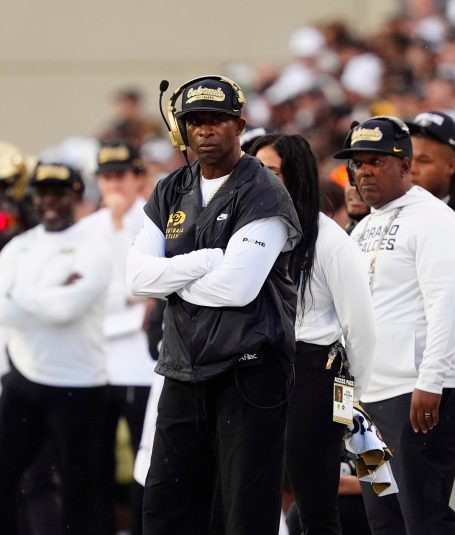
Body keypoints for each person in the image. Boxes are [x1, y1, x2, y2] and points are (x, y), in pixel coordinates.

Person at [126, 75, 302, 535]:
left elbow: (237, 289)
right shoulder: (170, 188)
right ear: (181, 130)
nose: (205, 130)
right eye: (195, 121)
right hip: (182, 369)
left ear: (239, 125)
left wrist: (170, 279)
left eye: (216, 120)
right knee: (165, 510)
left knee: (243, 513)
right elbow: (137, 277)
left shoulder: (264, 190)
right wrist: (205, 261)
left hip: (249, 374)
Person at [334, 115, 455, 535]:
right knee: (384, 518)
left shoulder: (435, 219)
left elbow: (447, 306)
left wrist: (431, 381)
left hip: (417, 394)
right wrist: (345, 399)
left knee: (423, 517)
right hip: (365, 404)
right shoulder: (362, 228)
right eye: (357, 163)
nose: (364, 172)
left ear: (405, 165)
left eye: (376, 161)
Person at [250, 133, 375, 535]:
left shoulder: (330, 240)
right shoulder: (249, 234)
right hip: (256, 368)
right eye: (255, 170)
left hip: (315, 372)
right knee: (251, 496)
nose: (260, 179)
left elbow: (361, 325)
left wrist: (355, 397)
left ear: (296, 175)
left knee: (316, 502)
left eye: (271, 172)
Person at [0, 162, 112, 535]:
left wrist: (20, 295)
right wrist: (50, 293)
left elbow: (67, 309)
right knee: (6, 476)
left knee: (80, 488)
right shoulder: (20, 246)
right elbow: (2, 309)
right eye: (43, 193)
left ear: (75, 196)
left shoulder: (94, 246)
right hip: (24, 379)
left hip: (80, 385)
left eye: (59, 193)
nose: (49, 200)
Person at [407, 110, 455, 535]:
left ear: (452, 164)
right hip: (404, 377)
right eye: (408, 159)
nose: (412, 168)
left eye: (424, 160)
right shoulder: (393, 220)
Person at [82, 140, 155, 535]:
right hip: (97, 360)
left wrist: (132, 295)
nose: (113, 183)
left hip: (141, 363)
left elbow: (150, 283)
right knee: (95, 460)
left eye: (120, 175)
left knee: (146, 456)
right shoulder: (88, 228)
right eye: (106, 176)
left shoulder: (152, 220)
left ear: (137, 177)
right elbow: (85, 288)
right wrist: (127, 297)